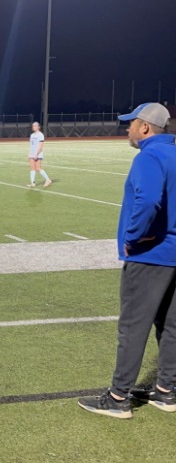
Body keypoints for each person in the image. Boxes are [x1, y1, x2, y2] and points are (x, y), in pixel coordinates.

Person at [78, 103, 176, 419]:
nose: (127, 129)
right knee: (172, 326)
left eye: (130, 124)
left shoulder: (148, 156)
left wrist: (133, 238)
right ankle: (167, 390)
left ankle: (118, 397)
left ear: (145, 128)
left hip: (151, 257)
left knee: (133, 327)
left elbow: (148, 201)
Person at [27, 122, 52, 188]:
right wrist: (29, 153)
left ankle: (48, 180)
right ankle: (33, 183)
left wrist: (36, 154)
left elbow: (40, 145)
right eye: (33, 126)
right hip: (32, 153)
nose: (34, 127)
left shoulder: (40, 134)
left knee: (38, 168)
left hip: (38, 154)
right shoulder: (32, 135)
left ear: (38, 127)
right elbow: (31, 145)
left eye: (35, 126)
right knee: (32, 168)